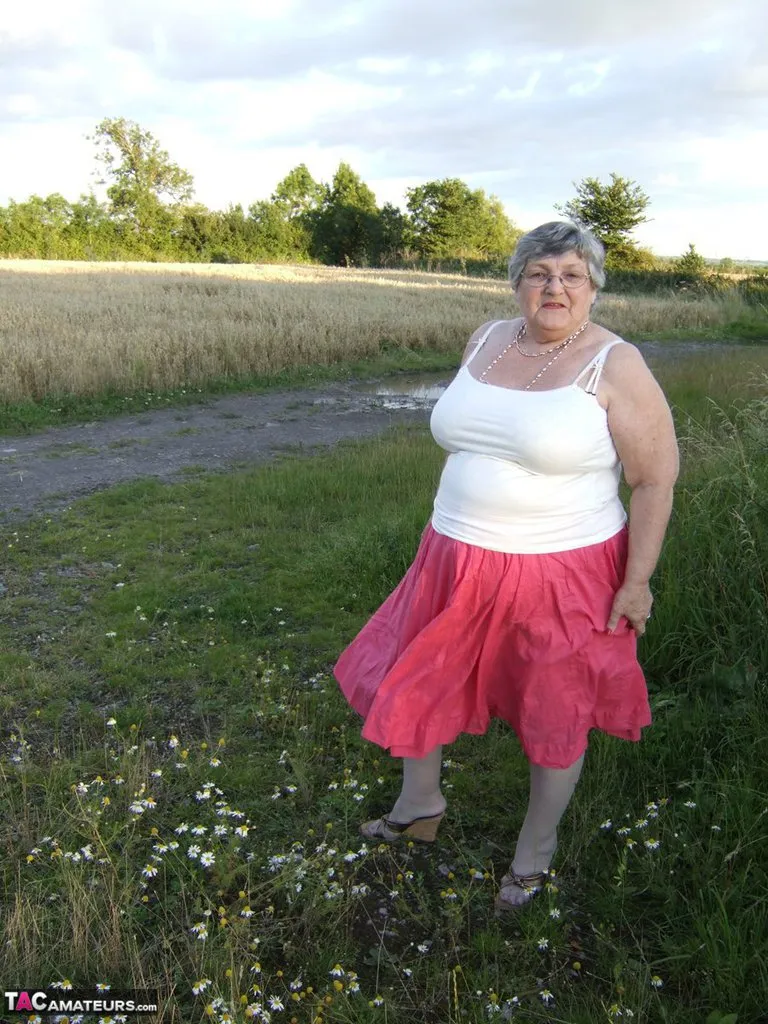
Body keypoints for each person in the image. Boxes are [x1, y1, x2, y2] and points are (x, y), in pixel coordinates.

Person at [333, 221, 679, 911]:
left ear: (593, 288)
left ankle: (533, 856)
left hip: (561, 569)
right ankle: (419, 805)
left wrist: (636, 582)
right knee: (424, 676)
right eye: (539, 273)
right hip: (452, 553)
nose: (555, 288)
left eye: (572, 275)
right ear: (517, 282)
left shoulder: (616, 364)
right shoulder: (487, 339)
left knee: (555, 709)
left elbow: (654, 480)